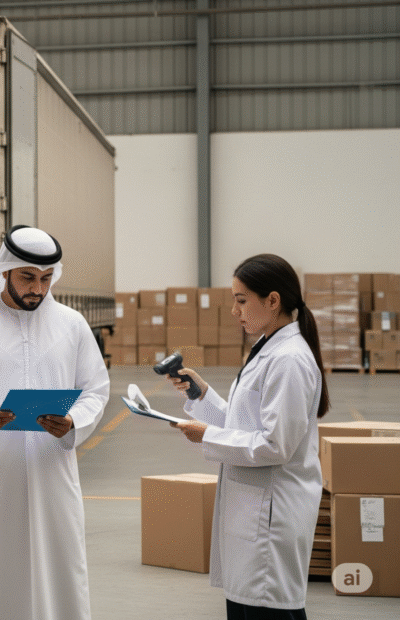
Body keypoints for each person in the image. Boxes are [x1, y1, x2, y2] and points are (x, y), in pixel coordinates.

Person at [0, 226, 110, 620]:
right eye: (27, 277)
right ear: (5, 271)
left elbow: (96, 390)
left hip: (52, 474)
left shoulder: (72, 324)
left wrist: (74, 422)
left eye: (46, 279)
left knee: (58, 570)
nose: (37, 289)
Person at [164, 254, 329, 620]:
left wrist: (207, 436)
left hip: (271, 514)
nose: (235, 312)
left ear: (273, 301)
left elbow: (275, 445)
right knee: (247, 606)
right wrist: (202, 395)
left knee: (268, 609)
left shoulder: (288, 359)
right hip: (253, 512)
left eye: (242, 301)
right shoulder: (268, 349)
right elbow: (245, 424)